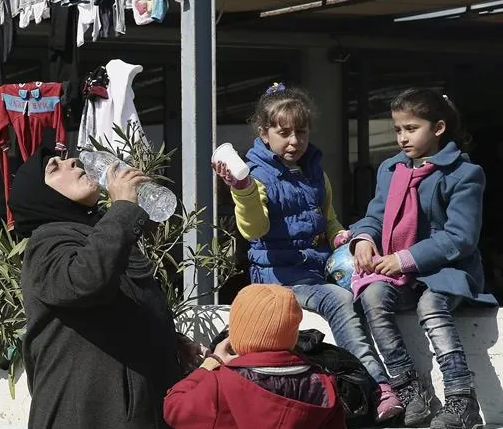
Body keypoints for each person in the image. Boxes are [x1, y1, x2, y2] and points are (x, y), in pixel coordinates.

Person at [211, 82, 402, 422]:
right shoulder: (254, 175)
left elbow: (328, 221)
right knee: (339, 300)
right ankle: (377, 386)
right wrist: (240, 190)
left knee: (372, 290)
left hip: (314, 272)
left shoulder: (315, 171)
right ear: (264, 133)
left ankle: (393, 380)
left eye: (301, 131)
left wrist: (342, 236)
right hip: (277, 279)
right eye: (283, 132)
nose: (294, 141)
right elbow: (253, 229)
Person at [350, 88, 497, 429]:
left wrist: (405, 258)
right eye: (398, 129)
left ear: (439, 127)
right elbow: (375, 214)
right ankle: (409, 390)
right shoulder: (390, 169)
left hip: (448, 271)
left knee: (431, 307)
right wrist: (363, 238)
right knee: (372, 295)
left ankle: (462, 400)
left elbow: (460, 237)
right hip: (398, 272)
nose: (402, 137)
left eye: (411, 128)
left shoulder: (464, 174)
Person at [9, 147, 184, 429]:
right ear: (40, 195)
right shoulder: (47, 243)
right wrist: (123, 210)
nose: (73, 163)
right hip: (85, 415)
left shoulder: (99, 234)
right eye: (55, 167)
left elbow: (120, 311)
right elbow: (85, 282)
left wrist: (173, 344)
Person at [163, 284, 346, 429]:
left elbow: (173, 409)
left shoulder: (219, 383)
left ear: (235, 334)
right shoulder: (324, 385)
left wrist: (210, 363)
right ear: (292, 333)